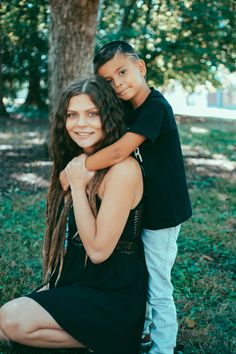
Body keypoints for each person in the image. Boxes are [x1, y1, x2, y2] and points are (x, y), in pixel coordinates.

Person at [60, 41, 192, 354]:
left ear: (141, 68)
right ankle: (142, 332)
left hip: (164, 214)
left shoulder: (155, 107)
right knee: (142, 276)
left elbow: (119, 150)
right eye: (108, 80)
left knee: (159, 284)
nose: (118, 82)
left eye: (123, 71)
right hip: (143, 209)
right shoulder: (127, 109)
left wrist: (79, 167)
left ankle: (164, 346)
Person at [0, 75, 148, 354]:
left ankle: (123, 336)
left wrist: (79, 186)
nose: (81, 123)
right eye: (72, 115)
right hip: (81, 280)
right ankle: (97, 337)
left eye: (92, 114)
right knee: (4, 329)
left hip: (113, 293)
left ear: (109, 116)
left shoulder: (123, 170)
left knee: (11, 320)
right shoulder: (80, 161)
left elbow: (99, 252)